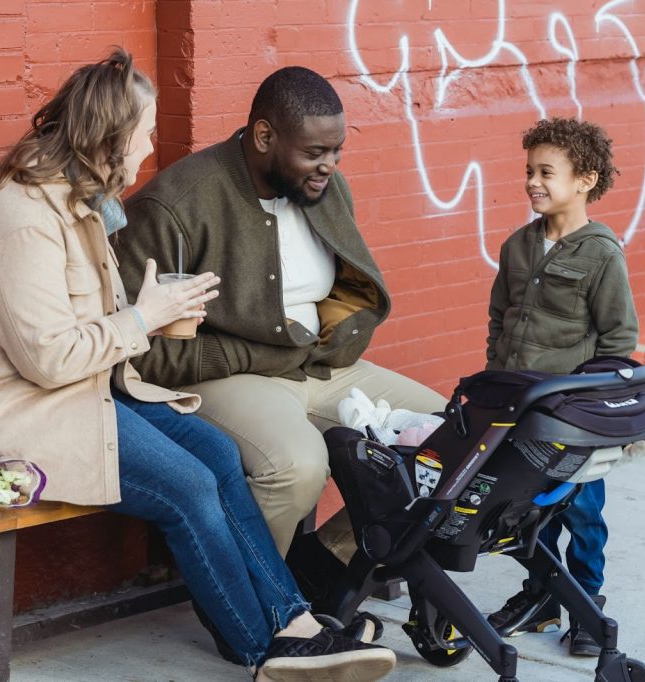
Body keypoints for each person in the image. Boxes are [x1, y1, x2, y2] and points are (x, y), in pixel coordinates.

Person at [0, 49, 396, 681]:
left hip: (78, 395)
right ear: (107, 139)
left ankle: (296, 623)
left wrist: (155, 315)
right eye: (143, 133)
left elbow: (96, 334)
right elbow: (47, 358)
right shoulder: (23, 220)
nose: (150, 146)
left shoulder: (80, 205)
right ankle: (262, 649)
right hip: (9, 414)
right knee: (188, 485)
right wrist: (144, 318)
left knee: (219, 457)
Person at [115, 67, 447, 572]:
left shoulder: (325, 189)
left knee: (453, 444)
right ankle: (250, 604)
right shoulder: (177, 205)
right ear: (264, 136)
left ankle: (324, 569)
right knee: (297, 466)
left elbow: (344, 295)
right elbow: (136, 349)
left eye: (336, 152)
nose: (328, 167)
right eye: (314, 153)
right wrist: (248, 353)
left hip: (318, 365)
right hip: (224, 376)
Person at [483, 117, 639, 656]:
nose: (533, 182)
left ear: (585, 180)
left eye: (547, 172)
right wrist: (494, 380)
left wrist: (598, 414)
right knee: (525, 510)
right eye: (529, 171)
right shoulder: (516, 247)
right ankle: (543, 595)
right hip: (518, 409)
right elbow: (499, 320)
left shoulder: (601, 254)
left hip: (574, 418)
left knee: (582, 511)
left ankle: (587, 604)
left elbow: (619, 339)